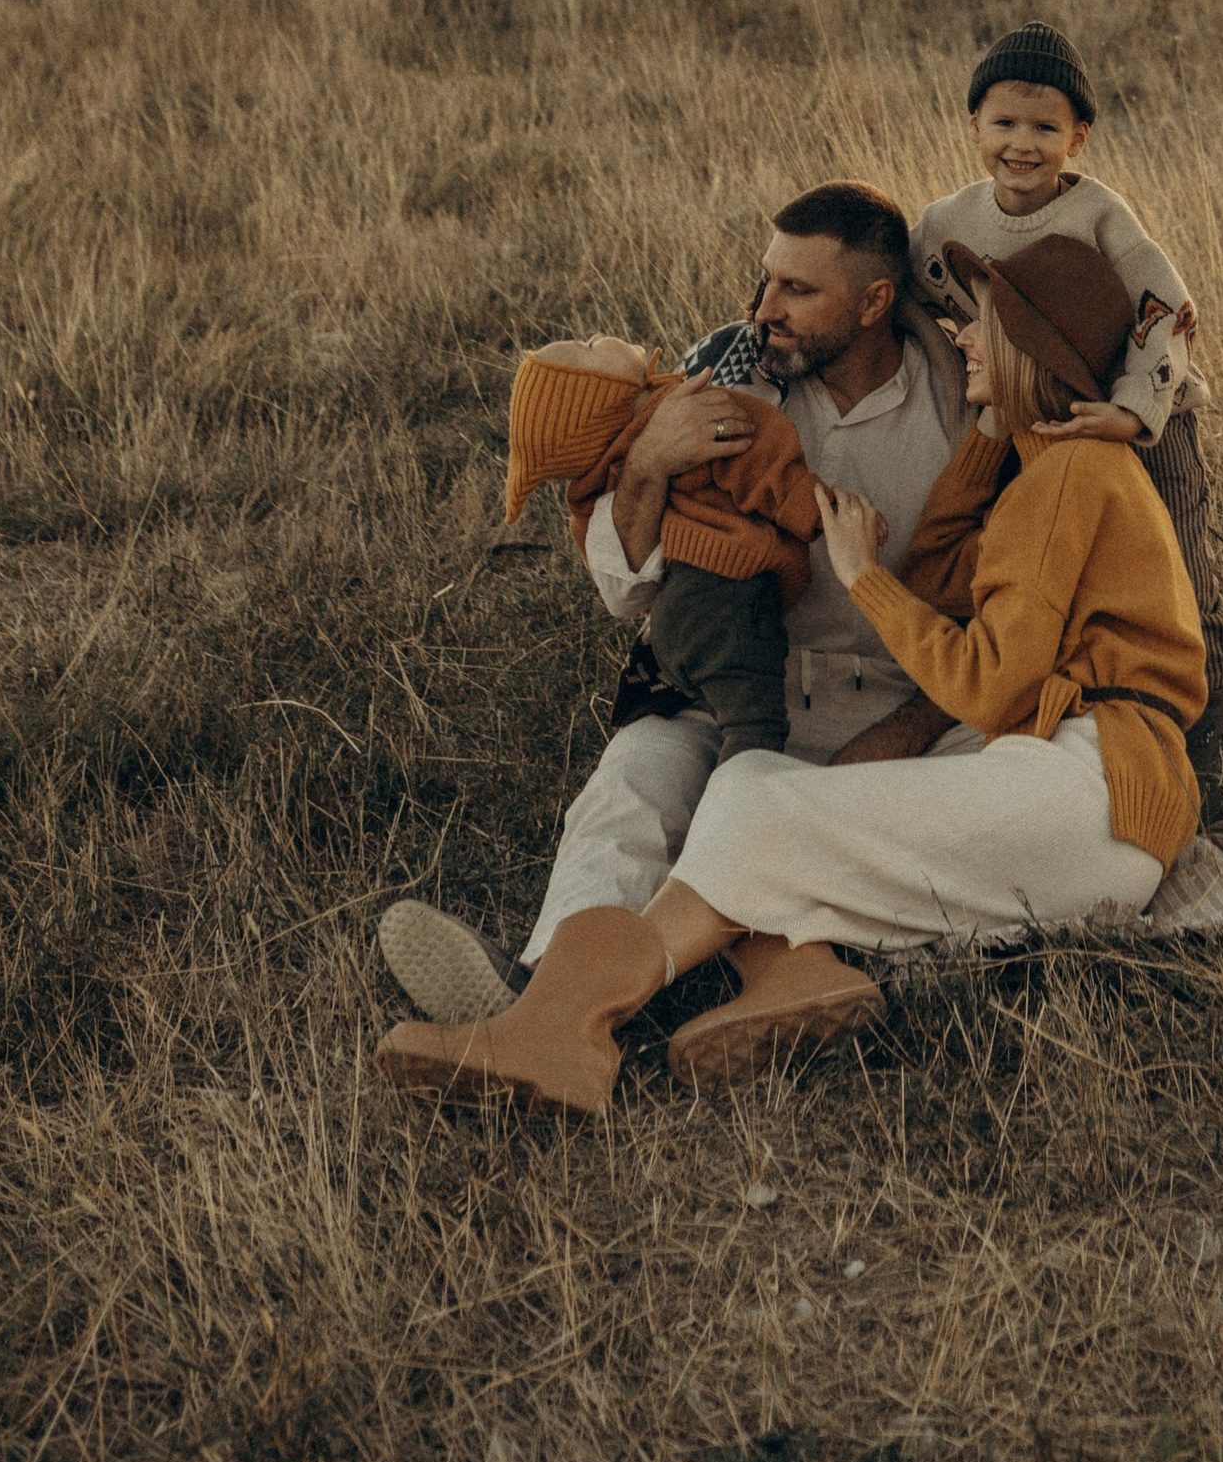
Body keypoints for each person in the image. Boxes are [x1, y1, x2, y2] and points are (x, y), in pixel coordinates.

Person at [376, 231, 1206, 1115]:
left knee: (756, 804)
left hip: (1100, 784)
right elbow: (942, 578)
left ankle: (561, 1024)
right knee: (745, 787)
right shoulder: (1035, 464)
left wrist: (860, 578)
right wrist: (996, 431)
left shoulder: (1070, 472)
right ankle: (711, 993)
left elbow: (990, 684)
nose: (962, 334)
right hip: (1064, 776)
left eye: (985, 327)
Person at [376, 181, 969, 1071]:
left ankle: (780, 978)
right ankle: (542, 996)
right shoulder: (725, 376)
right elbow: (629, 593)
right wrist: (649, 465)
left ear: (875, 301)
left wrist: (907, 729)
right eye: (764, 280)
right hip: (733, 689)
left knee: (967, 805)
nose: (764, 309)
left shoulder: (964, 413)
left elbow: (992, 613)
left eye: (797, 291)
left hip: (895, 699)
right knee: (632, 785)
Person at [908, 23, 1223, 799]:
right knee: (1043, 553)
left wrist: (1131, 412)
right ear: (972, 128)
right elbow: (913, 288)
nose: (1022, 146)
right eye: (1004, 125)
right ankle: (1053, 688)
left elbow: (1166, 311)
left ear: (1078, 138)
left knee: (1177, 561)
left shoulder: (1098, 218)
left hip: (1139, 415)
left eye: (1046, 129)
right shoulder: (947, 223)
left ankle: (1207, 734)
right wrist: (959, 350)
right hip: (1035, 413)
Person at [498, 336, 822, 759]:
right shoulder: (703, 380)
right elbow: (756, 454)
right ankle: (745, 791)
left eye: (798, 288)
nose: (597, 334)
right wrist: (816, 511)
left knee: (738, 724)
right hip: (727, 607)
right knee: (751, 733)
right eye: (589, 345)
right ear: (603, 398)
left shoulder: (600, 477)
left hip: (686, 628)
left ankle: (737, 788)